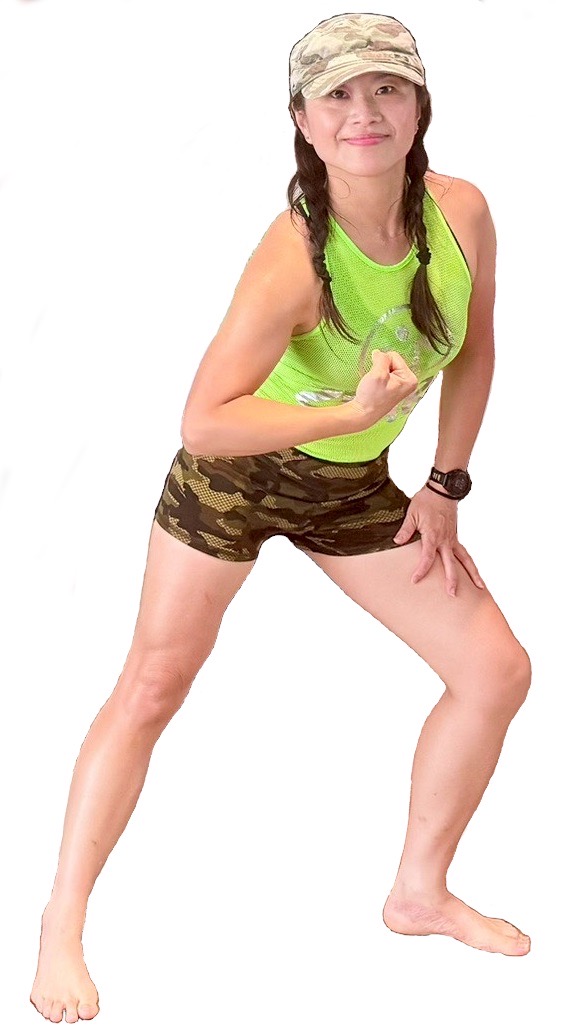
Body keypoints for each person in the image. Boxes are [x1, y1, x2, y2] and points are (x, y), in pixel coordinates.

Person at [30, 11, 532, 1024]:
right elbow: (204, 421)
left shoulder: (463, 213)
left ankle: (418, 894)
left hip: (350, 487)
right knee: (153, 685)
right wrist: (349, 413)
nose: (363, 112)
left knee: (495, 673)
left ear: (419, 104)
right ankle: (61, 924)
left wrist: (445, 484)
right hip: (237, 482)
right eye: (336, 95)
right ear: (303, 120)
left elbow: (476, 345)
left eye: (385, 88)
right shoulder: (293, 258)